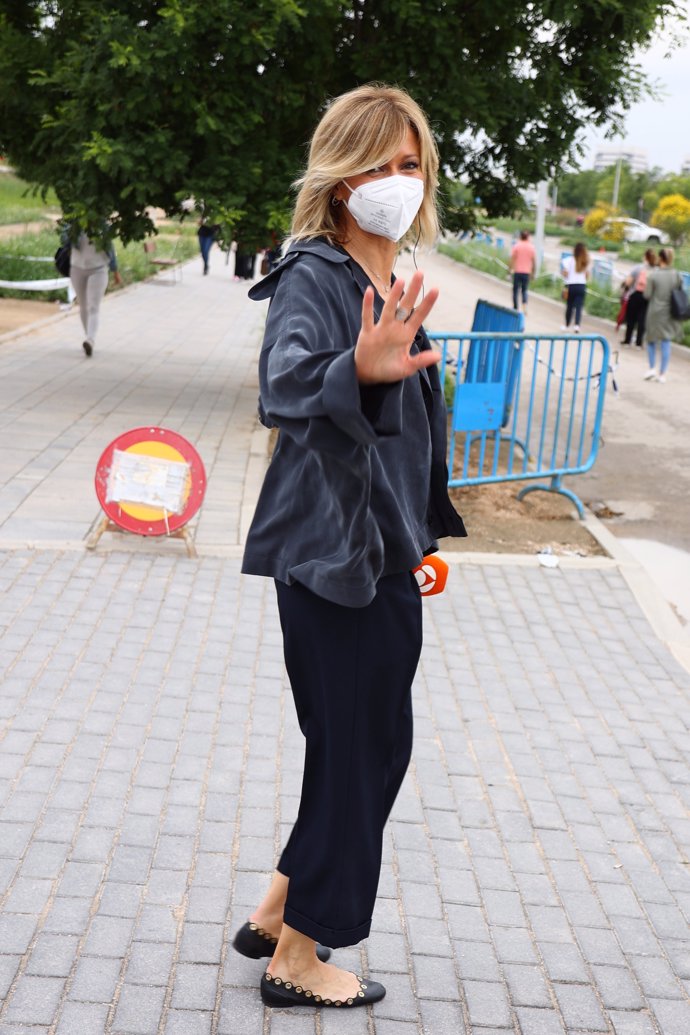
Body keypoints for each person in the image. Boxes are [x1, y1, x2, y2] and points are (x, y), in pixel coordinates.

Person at [234, 84, 466, 1011]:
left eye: (411, 165)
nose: (397, 183)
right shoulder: (317, 276)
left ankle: (274, 911)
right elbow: (283, 386)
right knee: (366, 750)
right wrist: (355, 370)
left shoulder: (382, 277)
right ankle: (297, 958)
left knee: (353, 747)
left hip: (374, 551)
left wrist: (417, 534)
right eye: (378, 163)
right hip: (338, 561)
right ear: (339, 178)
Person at [66, 226, 121, 357]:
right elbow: (65, 241)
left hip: (99, 269)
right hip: (77, 268)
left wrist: (115, 270)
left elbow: (110, 247)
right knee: (83, 305)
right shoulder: (74, 224)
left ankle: (90, 340)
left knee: (93, 306)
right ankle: (88, 338)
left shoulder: (103, 225)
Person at [642, 247, 682, 383]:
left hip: (654, 312)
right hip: (669, 312)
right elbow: (680, 292)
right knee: (666, 341)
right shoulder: (676, 275)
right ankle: (662, 374)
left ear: (660, 258)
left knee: (651, 340)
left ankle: (652, 368)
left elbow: (647, 295)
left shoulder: (653, 275)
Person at [622, 248, 657, 348]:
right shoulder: (655, 270)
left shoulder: (638, 268)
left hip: (635, 295)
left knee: (631, 319)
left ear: (645, 256)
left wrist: (624, 291)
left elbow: (628, 282)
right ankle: (639, 343)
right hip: (647, 297)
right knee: (642, 320)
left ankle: (627, 341)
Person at [561, 241, 589, 332]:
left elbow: (565, 273)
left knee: (570, 306)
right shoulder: (586, 261)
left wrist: (564, 274)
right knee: (579, 307)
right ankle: (577, 326)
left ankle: (567, 324)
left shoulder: (569, 260)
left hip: (571, 285)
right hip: (581, 286)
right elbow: (587, 275)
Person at [509, 229, 536, 313]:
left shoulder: (517, 246)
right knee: (524, 290)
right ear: (528, 237)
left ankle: (515, 308)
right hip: (526, 272)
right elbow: (534, 261)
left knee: (515, 290)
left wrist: (509, 270)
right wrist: (533, 273)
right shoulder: (531, 247)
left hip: (517, 271)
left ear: (520, 236)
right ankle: (524, 305)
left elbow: (512, 259)